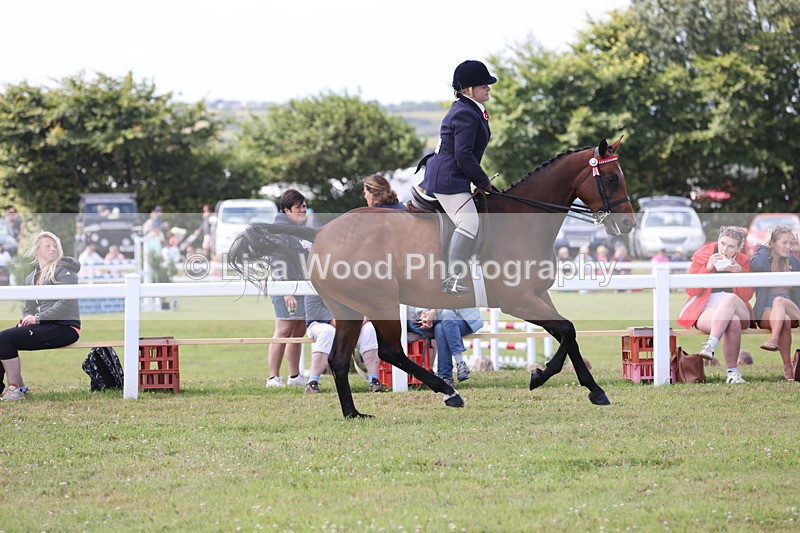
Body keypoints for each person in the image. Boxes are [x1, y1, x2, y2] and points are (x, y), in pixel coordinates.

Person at [418, 59, 497, 294]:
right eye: (484, 85)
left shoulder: (469, 110)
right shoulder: (466, 113)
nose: (488, 88)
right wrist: (483, 180)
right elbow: (463, 155)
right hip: (448, 178)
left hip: (453, 174)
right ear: (468, 89)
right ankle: (451, 279)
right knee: (469, 222)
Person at [0, 232, 81, 401]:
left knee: (4, 339)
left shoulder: (64, 271)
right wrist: (27, 317)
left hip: (65, 327)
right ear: (37, 251)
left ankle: (15, 389)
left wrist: (38, 318)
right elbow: (29, 306)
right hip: (43, 325)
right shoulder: (32, 277)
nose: (53, 249)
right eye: (48, 246)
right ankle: (19, 388)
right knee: (3, 339)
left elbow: (66, 302)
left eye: (55, 246)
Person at [677, 226, 754, 384]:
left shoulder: (743, 261)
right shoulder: (704, 255)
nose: (725, 249)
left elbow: (747, 295)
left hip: (738, 308)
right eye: (723, 243)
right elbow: (691, 290)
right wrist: (707, 268)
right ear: (718, 240)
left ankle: (711, 344)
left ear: (739, 248)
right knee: (732, 322)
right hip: (708, 308)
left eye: (731, 246)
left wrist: (740, 273)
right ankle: (732, 374)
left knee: (730, 299)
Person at [266, 190, 311, 388]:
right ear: (286, 210)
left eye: (304, 206)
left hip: (302, 287)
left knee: (298, 332)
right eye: (298, 207)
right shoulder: (279, 230)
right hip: (287, 289)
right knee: (283, 331)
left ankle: (294, 376)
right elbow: (276, 261)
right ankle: (273, 377)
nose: (303, 210)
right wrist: (286, 291)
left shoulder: (296, 228)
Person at [303, 294, 387, 394]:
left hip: (355, 321)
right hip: (322, 323)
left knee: (370, 329)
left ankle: (374, 380)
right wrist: (336, 321)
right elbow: (313, 308)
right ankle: (312, 382)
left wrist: (362, 319)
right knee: (328, 332)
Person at [749, 225, 800, 380]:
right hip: (766, 308)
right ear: (772, 243)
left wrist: (798, 250)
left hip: (789, 305)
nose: (788, 247)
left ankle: (774, 339)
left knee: (780, 301)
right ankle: (788, 367)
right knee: (782, 319)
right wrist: (764, 245)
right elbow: (756, 265)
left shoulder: (792, 260)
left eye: (790, 243)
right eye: (784, 243)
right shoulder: (763, 260)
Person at [410, 306, 483, 386]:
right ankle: (460, 364)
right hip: (441, 318)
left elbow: (451, 300)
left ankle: (445, 377)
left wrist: (434, 311)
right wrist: (424, 315)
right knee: (440, 327)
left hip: (465, 320)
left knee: (446, 316)